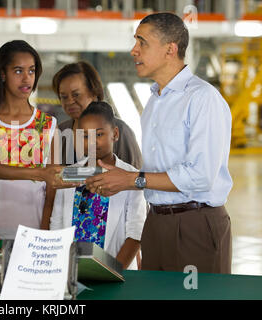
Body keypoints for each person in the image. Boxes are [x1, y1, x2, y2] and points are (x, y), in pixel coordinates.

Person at [86, 12, 233, 274]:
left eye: (142, 42)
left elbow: (200, 176)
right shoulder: (155, 101)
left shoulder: (202, 99)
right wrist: (118, 180)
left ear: (170, 49)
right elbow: (158, 170)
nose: (134, 50)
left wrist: (131, 180)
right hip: (156, 222)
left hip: (194, 224)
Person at [0, 40, 57, 264]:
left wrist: (43, 231)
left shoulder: (48, 125)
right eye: (18, 70)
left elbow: (52, 187)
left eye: (31, 71)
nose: (26, 78)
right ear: (2, 74)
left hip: (35, 236)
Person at [50, 102, 146, 269]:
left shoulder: (130, 176)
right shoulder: (69, 174)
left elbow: (136, 234)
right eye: (85, 136)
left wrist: (113, 272)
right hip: (71, 269)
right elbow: (57, 226)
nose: (92, 142)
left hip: (116, 271)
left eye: (99, 135)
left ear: (115, 134)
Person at [52, 61, 142, 169]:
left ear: (94, 92)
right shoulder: (60, 132)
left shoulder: (121, 130)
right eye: (64, 97)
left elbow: (135, 177)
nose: (70, 101)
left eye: (76, 95)